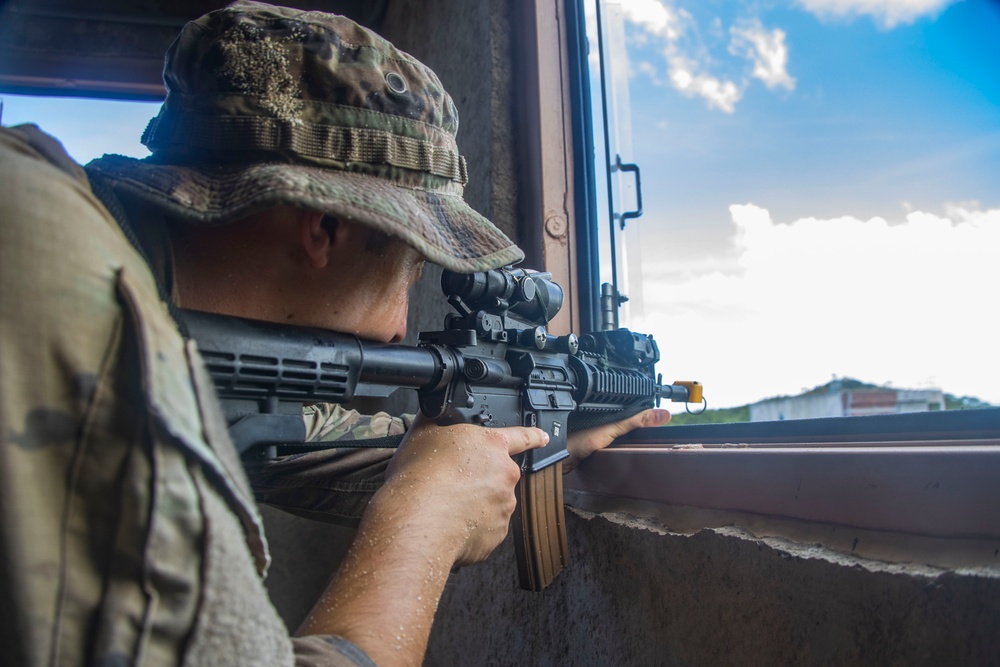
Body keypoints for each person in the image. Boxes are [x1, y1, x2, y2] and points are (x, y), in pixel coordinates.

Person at [0, 2, 670, 666]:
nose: (403, 325)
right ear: (324, 229)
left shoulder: (139, 304)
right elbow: (409, 493)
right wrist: (422, 523)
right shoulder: (56, 285)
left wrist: (540, 442)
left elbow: (326, 446)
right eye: (410, 272)